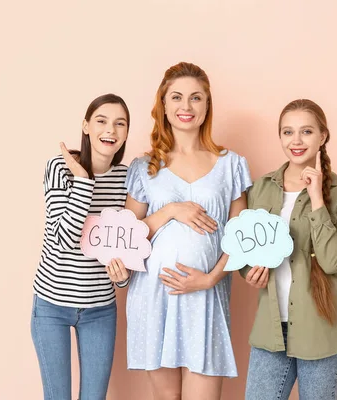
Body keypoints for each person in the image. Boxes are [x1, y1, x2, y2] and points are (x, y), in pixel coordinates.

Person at [125, 62, 252, 399]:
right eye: (177, 97)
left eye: (196, 98)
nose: (186, 106)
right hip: (154, 297)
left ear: (207, 106)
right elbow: (127, 239)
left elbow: (241, 237)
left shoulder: (231, 164)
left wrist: (211, 278)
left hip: (206, 295)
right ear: (163, 106)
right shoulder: (143, 167)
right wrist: (169, 211)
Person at [243, 99, 337, 400]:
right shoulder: (261, 188)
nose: (296, 141)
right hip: (271, 330)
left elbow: (334, 262)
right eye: (287, 132)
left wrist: (317, 199)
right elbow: (247, 250)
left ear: (322, 136)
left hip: (322, 331)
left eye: (306, 132)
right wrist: (250, 273)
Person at [31, 93, 132, 400]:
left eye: (120, 123)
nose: (110, 130)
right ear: (86, 126)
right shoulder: (60, 168)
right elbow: (63, 239)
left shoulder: (127, 178)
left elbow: (126, 246)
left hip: (100, 309)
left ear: (127, 132)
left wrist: (122, 276)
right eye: (101, 121)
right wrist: (84, 181)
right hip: (51, 306)